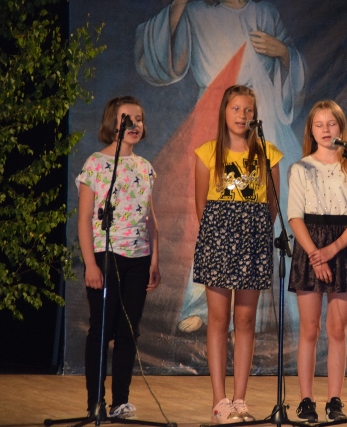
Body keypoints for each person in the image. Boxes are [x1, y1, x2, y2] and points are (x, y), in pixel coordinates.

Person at [135, 0, 305, 336]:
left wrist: (284, 54)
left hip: (262, 119)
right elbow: (166, 63)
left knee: (273, 204)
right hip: (215, 115)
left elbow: (291, 70)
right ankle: (202, 305)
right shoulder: (197, 12)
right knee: (211, 207)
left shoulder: (264, 13)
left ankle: (270, 306)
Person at [193, 85, 282, 423]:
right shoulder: (207, 152)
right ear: (224, 112)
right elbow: (201, 206)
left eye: (248, 110)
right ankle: (220, 400)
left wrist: (252, 231)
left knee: (245, 320)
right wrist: (221, 235)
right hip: (217, 239)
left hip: (254, 240)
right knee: (218, 319)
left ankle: (240, 399)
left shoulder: (267, 154)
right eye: (236, 109)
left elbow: (271, 204)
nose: (243, 116)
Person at [76, 96, 160, 419]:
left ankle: (120, 401)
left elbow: (150, 218)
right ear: (113, 123)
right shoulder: (96, 164)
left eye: (139, 119)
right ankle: (95, 402)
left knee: (128, 330)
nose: (134, 125)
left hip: (138, 256)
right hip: (105, 254)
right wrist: (90, 263)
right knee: (101, 328)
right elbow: (85, 218)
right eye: (127, 119)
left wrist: (154, 258)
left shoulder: (144, 167)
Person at [287, 100, 347, 423]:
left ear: (341, 128)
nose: (325, 130)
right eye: (319, 124)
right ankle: (306, 399)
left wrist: (333, 250)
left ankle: (335, 400)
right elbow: (295, 217)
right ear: (311, 130)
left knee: (338, 329)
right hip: (310, 244)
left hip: (343, 245)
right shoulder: (301, 168)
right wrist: (315, 255)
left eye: (331, 124)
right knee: (310, 328)